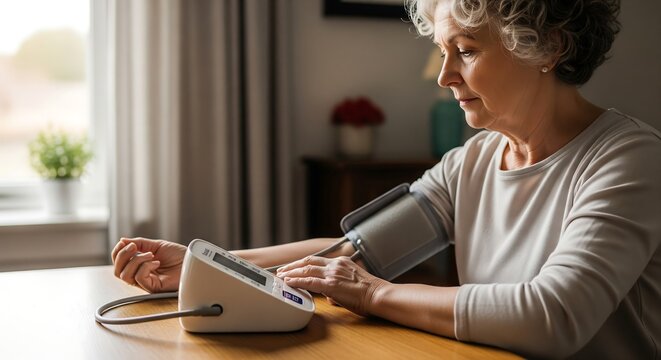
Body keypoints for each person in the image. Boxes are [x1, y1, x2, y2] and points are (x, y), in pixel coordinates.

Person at [112, 0, 661, 358]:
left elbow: (552, 317)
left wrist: (375, 295)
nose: (445, 76)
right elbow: (347, 255)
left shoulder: (628, 159)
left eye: (465, 52)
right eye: (444, 53)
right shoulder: (472, 161)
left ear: (549, 47)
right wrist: (208, 264)